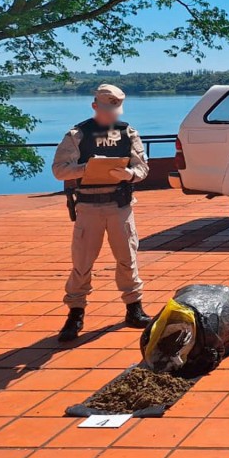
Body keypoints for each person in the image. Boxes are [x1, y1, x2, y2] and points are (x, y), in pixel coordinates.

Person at [51, 84, 152, 342]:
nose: (111, 113)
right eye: (107, 107)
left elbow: (143, 168)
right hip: (88, 207)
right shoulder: (78, 134)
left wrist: (130, 174)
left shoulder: (128, 133)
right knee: (82, 262)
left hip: (119, 206)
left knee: (127, 258)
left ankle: (134, 308)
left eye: (115, 108)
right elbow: (59, 170)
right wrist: (86, 168)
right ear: (95, 106)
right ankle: (75, 313)